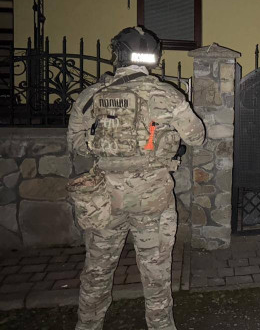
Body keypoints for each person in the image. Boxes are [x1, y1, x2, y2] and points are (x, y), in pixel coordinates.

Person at [67, 27, 205, 330]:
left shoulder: (93, 95)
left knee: (97, 272)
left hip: (105, 200)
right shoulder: (165, 95)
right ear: (154, 56)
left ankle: (87, 326)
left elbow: (76, 143)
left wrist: (103, 144)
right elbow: (197, 136)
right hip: (152, 198)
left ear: (117, 54)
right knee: (156, 275)